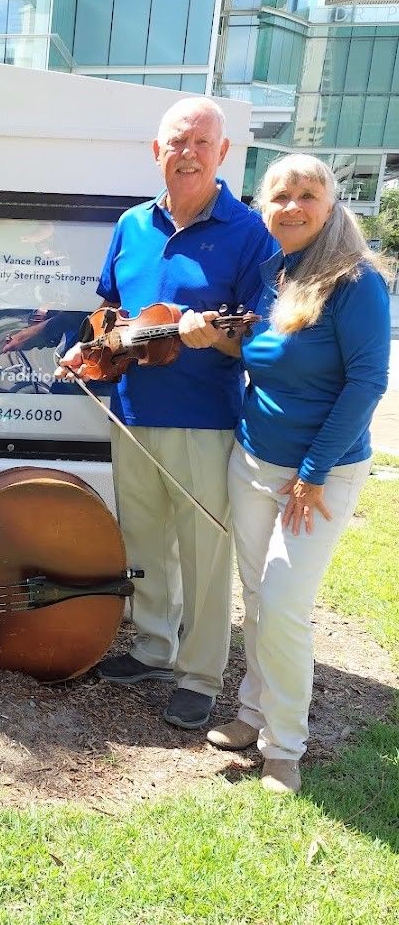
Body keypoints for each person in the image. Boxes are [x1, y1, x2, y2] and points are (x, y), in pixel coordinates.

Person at [59, 97, 275, 730]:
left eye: (201, 143)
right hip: (131, 410)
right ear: (157, 152)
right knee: (144, 538)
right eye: (176, 142)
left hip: (205, 419)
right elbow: (110, 313)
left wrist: (220, 338)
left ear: (223, 154)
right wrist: (87, 346)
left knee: (205, 553)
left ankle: (201, 675)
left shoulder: (250, 231)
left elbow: (260, 333)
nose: (188, 153)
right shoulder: (132, 226)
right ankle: (153, 647)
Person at [200, 155, 390, 794]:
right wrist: (207, 338)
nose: (293, 206)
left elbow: (367, 382)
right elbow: (258, 349)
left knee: (282, 602)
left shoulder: (356, 282)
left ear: (331, 205)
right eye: (281, 195)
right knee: (256, 596)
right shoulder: (271, 273)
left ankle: (285, 744)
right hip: (253, 458)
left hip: (322, 473)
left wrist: (311, 473)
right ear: (265, 206)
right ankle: (253, 710)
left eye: (309, 195)